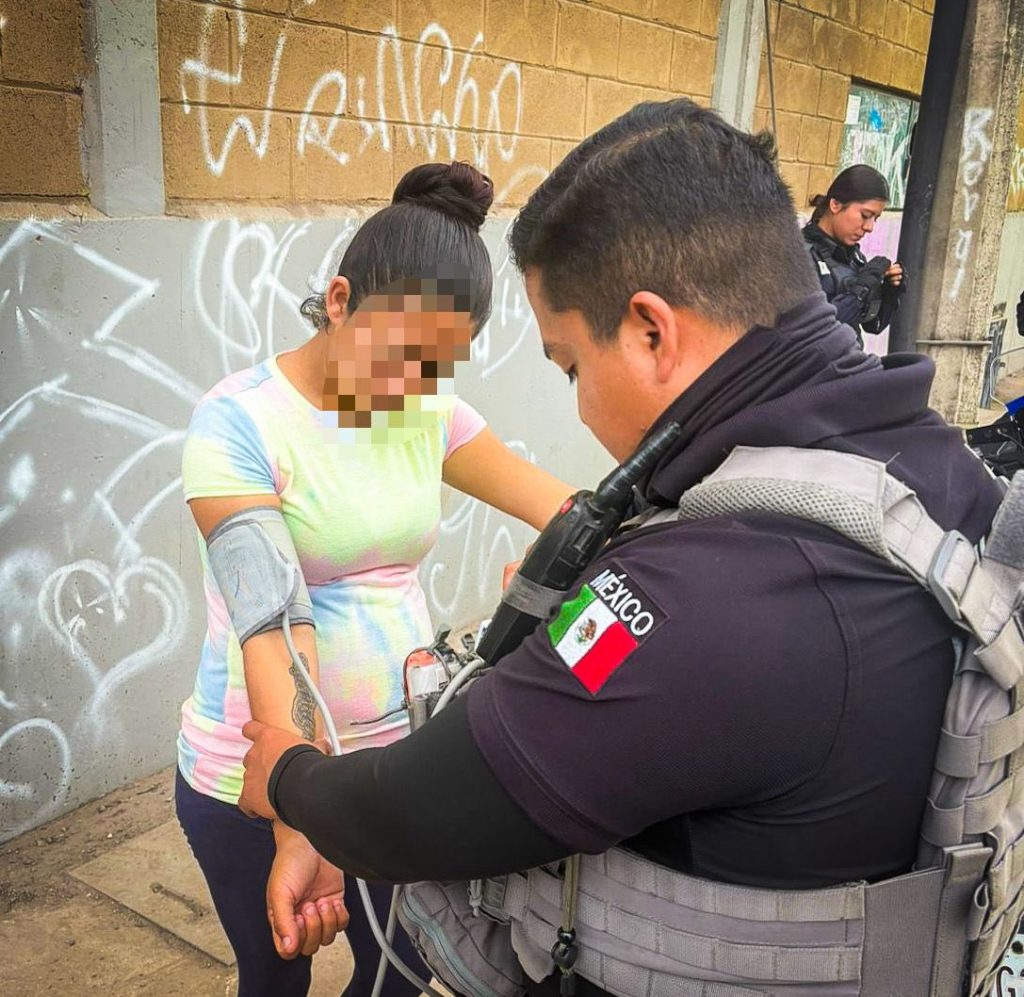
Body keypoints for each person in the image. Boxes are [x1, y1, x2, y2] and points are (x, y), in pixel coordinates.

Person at [237, 101, 1011, 995]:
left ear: (651, 331)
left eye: (570, 365)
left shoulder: (702, 593)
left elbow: (422, 807)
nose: (577, 403)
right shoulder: (943, 471)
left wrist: (290, 781)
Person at [175, 161, 574, 997]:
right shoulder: (239, 421)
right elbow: (274, 622)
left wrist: (570, 565)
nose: (413, 386)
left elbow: (562, 508)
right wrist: (297, 807)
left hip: (398, 771)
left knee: (407, 967)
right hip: (254, 774)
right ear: (340, 301)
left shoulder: (427, 409)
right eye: (401, 355)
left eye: (440, 365)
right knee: (275, 975)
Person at [802, 164, 906, 345]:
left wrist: (889, 292)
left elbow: (873, 325)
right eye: (865, 215)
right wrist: (862, 288)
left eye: (875, 218)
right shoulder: (799, 256)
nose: (870, 227)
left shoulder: (854, 258)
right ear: (835, 204)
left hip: (851, 359)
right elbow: (817, 333)